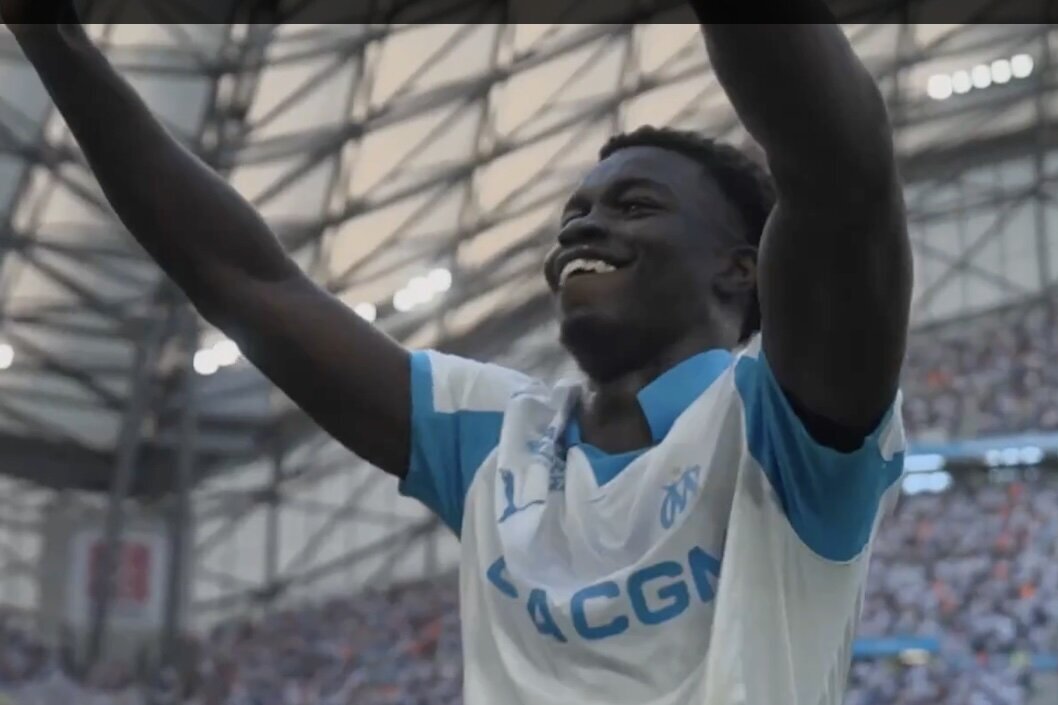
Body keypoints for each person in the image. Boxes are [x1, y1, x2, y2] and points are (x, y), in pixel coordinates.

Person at [2, 1, 912, 702]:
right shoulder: (495, 436)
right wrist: (53, 39)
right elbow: (246, 282)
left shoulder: (785, 427)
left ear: (741, 269)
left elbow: (839, 171)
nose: (582, 226)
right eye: (574, 214)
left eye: (635, 206)